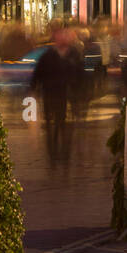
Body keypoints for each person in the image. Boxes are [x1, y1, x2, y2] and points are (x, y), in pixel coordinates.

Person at [29, 25, 82, 165]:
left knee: (65, 126)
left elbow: (81, 75)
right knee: (51, 126)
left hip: (68, 96)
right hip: (50, 94)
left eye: (65, 36)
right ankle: (52, 154)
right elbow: (38, 74)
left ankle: (65, 154)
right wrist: (34, 88)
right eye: (59, 36)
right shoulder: (47, 56)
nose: (62, 38)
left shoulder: (74, 55)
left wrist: (82, 93)